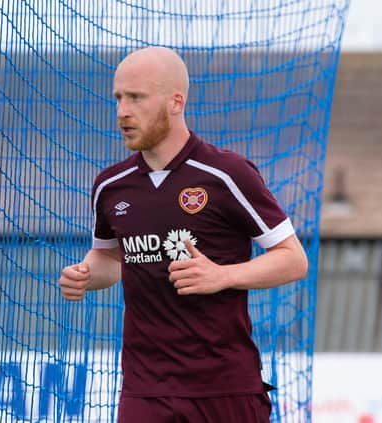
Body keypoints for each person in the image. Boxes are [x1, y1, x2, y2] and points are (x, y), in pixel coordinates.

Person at [57, 47, 308, 423]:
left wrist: (223, 275)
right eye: (118, 98)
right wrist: (85, 274)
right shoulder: (110, 186)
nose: (122, 110)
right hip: (145, 389)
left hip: (224, 387)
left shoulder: (227, 174)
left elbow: (293, 259)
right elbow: (110, 258)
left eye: (136, 97)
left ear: (176, 102)